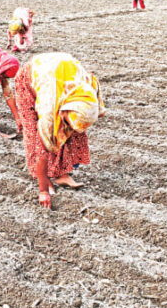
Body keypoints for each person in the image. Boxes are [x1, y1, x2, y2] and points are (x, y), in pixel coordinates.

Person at [14, 53, 105, 209]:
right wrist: (43, 192)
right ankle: (43, 178)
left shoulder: (89, 89)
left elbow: (97, 111)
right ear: (63, 111)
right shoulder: (49, 107)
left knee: (73, 134)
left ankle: (62, 174)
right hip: (32, 78)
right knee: (36, 133)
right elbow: (42, 148)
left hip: (60, 72)